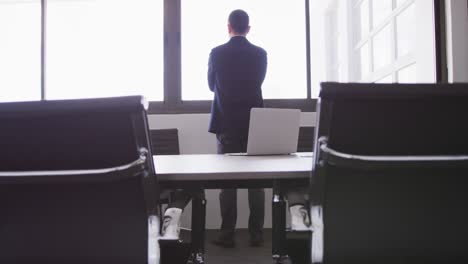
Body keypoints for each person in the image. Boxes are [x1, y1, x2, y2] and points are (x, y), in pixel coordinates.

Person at [207, 9, 267, 248]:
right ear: (248, 28)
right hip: (254, 123)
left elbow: (212, 85)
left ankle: (227, 233)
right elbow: (258, 82)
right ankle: (257, 234)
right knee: (256, 182)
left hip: (226, 124)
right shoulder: (260, 54)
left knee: (228, 182)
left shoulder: (217, 53)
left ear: (228, 26)